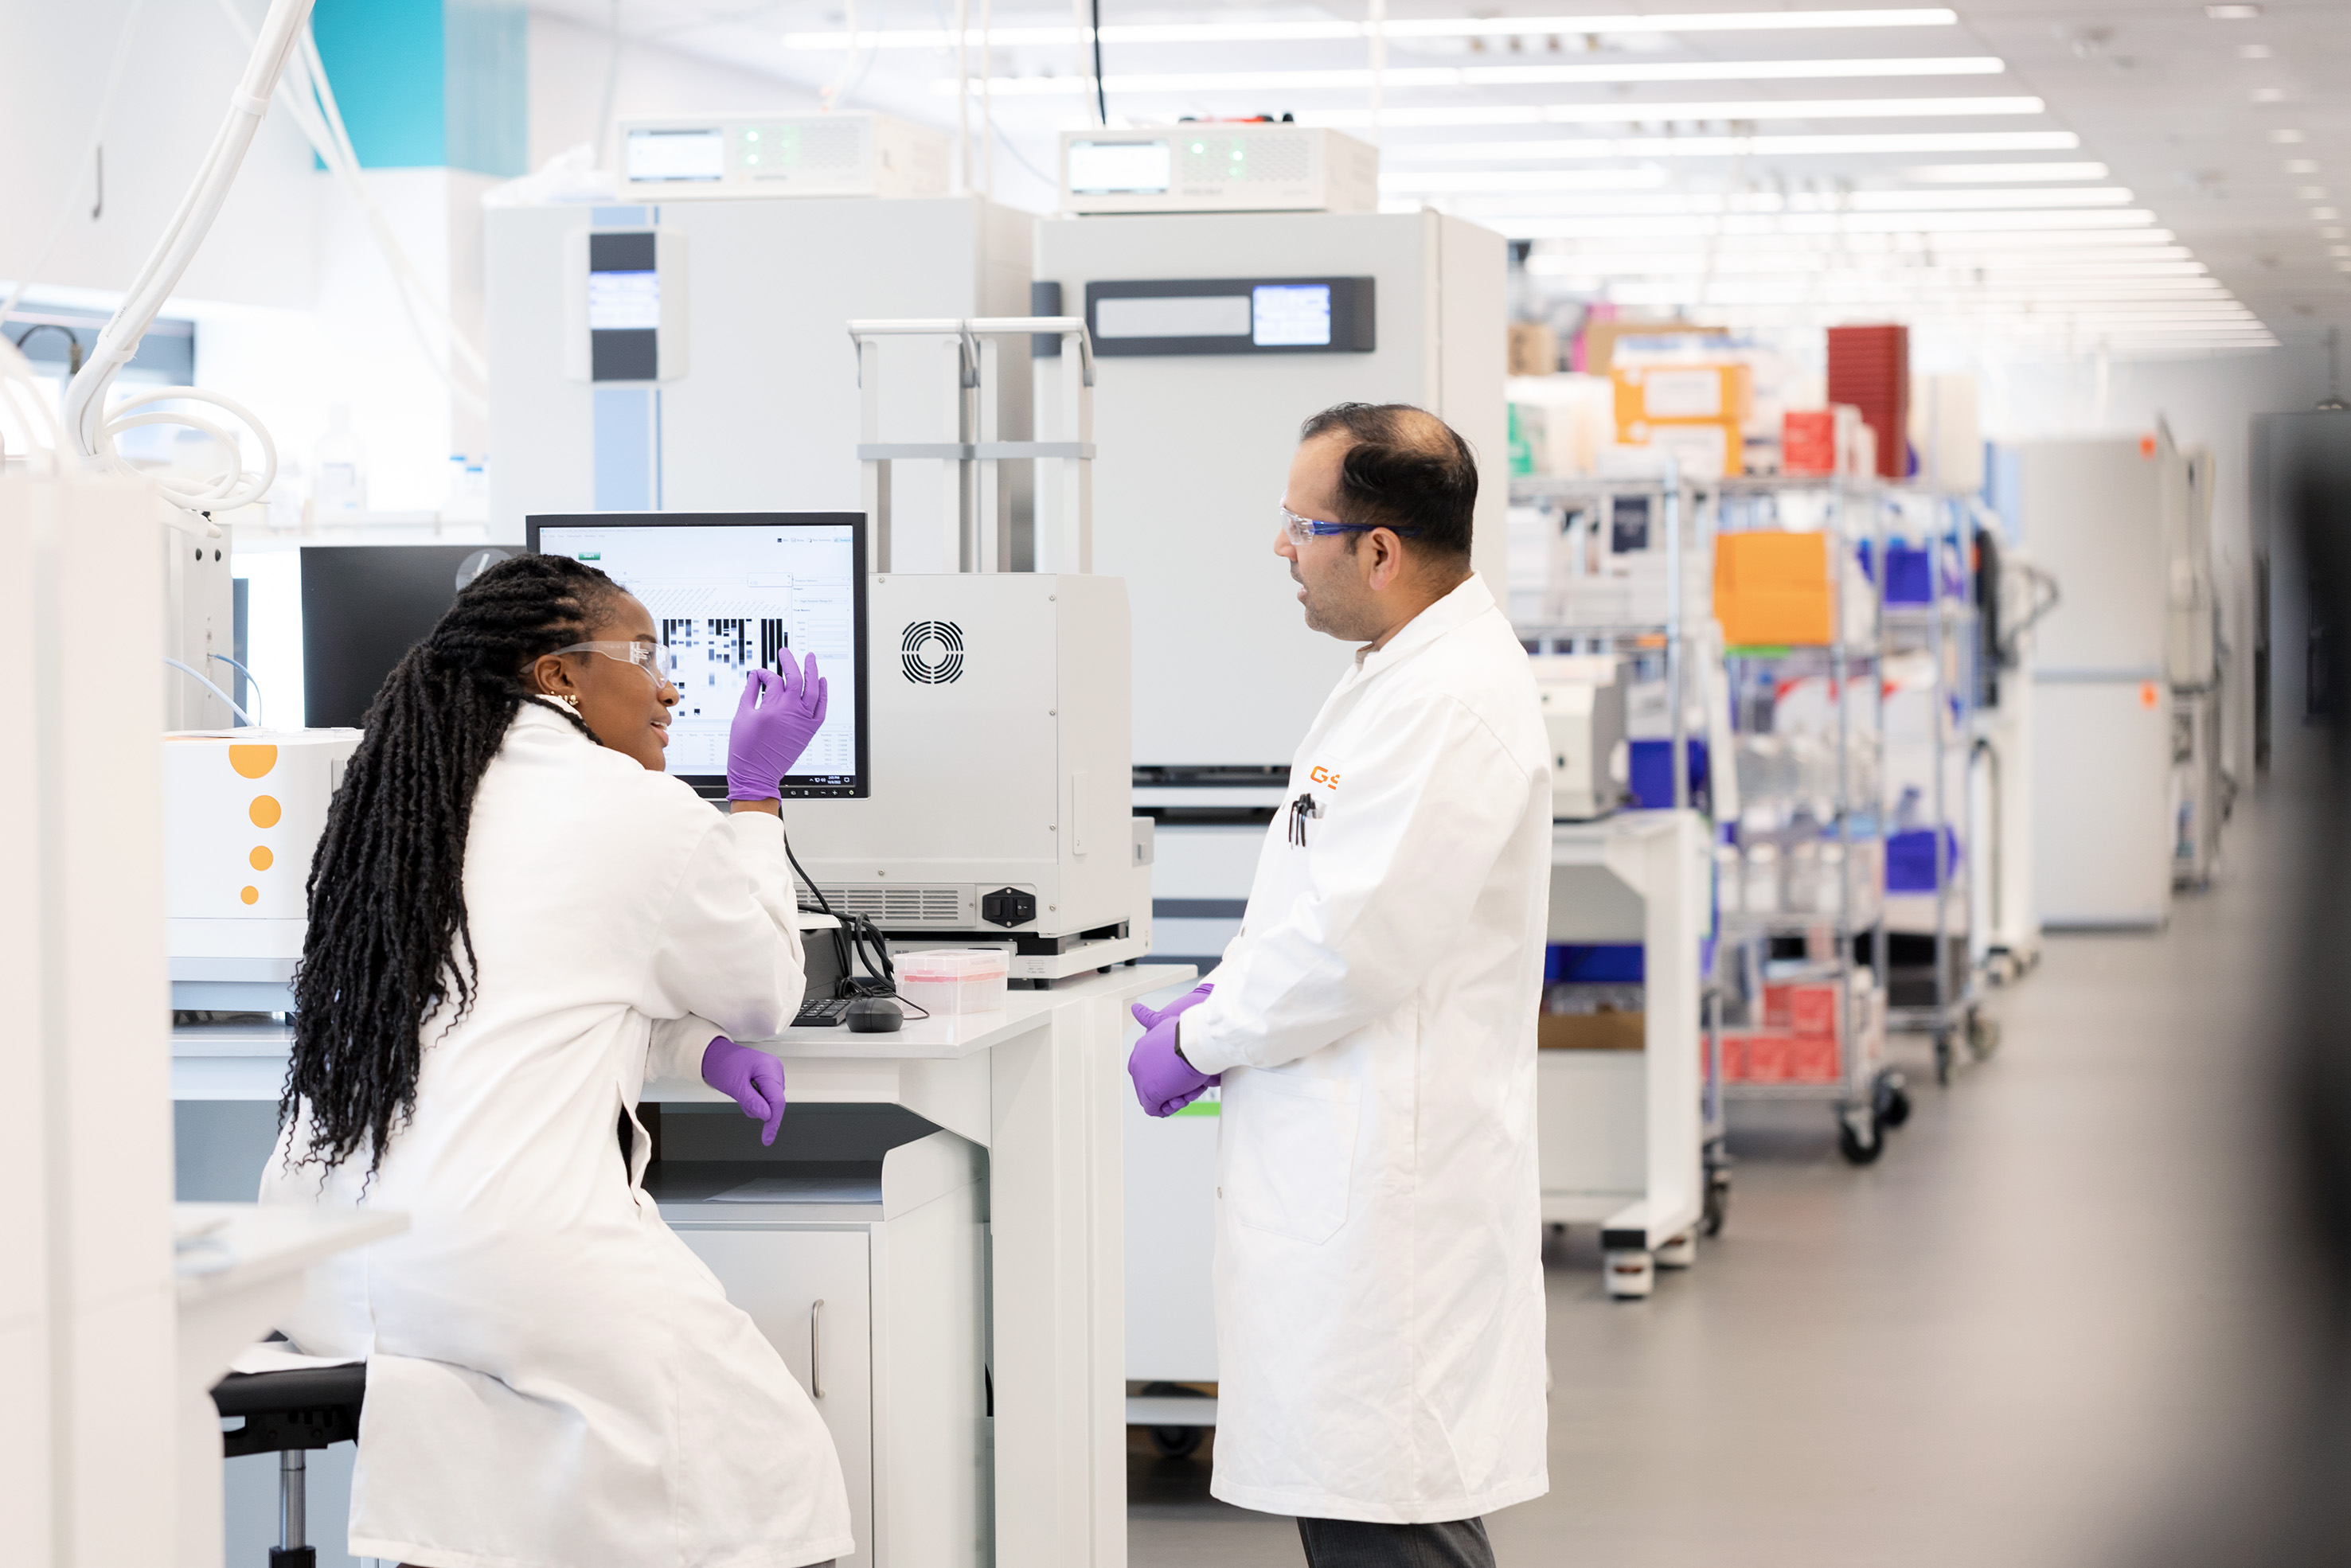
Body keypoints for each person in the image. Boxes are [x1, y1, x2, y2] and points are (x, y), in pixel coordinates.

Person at [260, 553, 853, 1568]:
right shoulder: (638, 809)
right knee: (770, 1463)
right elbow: (765, 988)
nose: (671, 689)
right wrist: (755, 799)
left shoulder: (408, 798)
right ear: (559, 674)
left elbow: (519, 986)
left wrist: (688, 1047)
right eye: (646, 656)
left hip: (319, 1261)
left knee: (487, 1464)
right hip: (494, 1257)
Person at [1127, 404, 1552, 1567]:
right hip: (1349, 1162)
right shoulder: (1397, 674)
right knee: (1370, 1512)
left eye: (1300, 524)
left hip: (1389, 1189)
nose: (1281, 547)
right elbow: (1326, 900)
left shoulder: (1443, 702)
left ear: (1377, 549)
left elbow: (1351, 949)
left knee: (1390, 1519)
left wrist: (1201, 1038)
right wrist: (1220, 991)